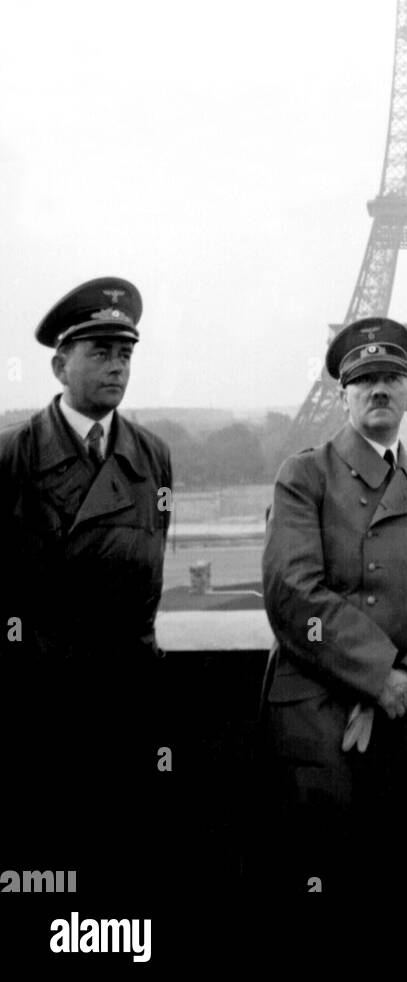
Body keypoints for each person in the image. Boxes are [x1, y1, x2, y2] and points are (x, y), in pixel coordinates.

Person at [260, 316, 407, 894]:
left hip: (397, 712)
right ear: (343, 393)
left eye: (392, 377)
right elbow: (291, 592)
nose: (380, 388)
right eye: (365, 378)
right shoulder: (304, 475)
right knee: (321, 873)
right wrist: (378, 673)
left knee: (390, 876)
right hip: (319, 713)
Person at [0, 277, 173, 888]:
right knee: (51, 865)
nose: (116, 367)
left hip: (130, 697)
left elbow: (147, 564)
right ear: (58, 364)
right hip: (42, 704)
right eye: (99, 353)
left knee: (126, 866)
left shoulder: (153, 456)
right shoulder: (11, 457)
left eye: (124, 354)